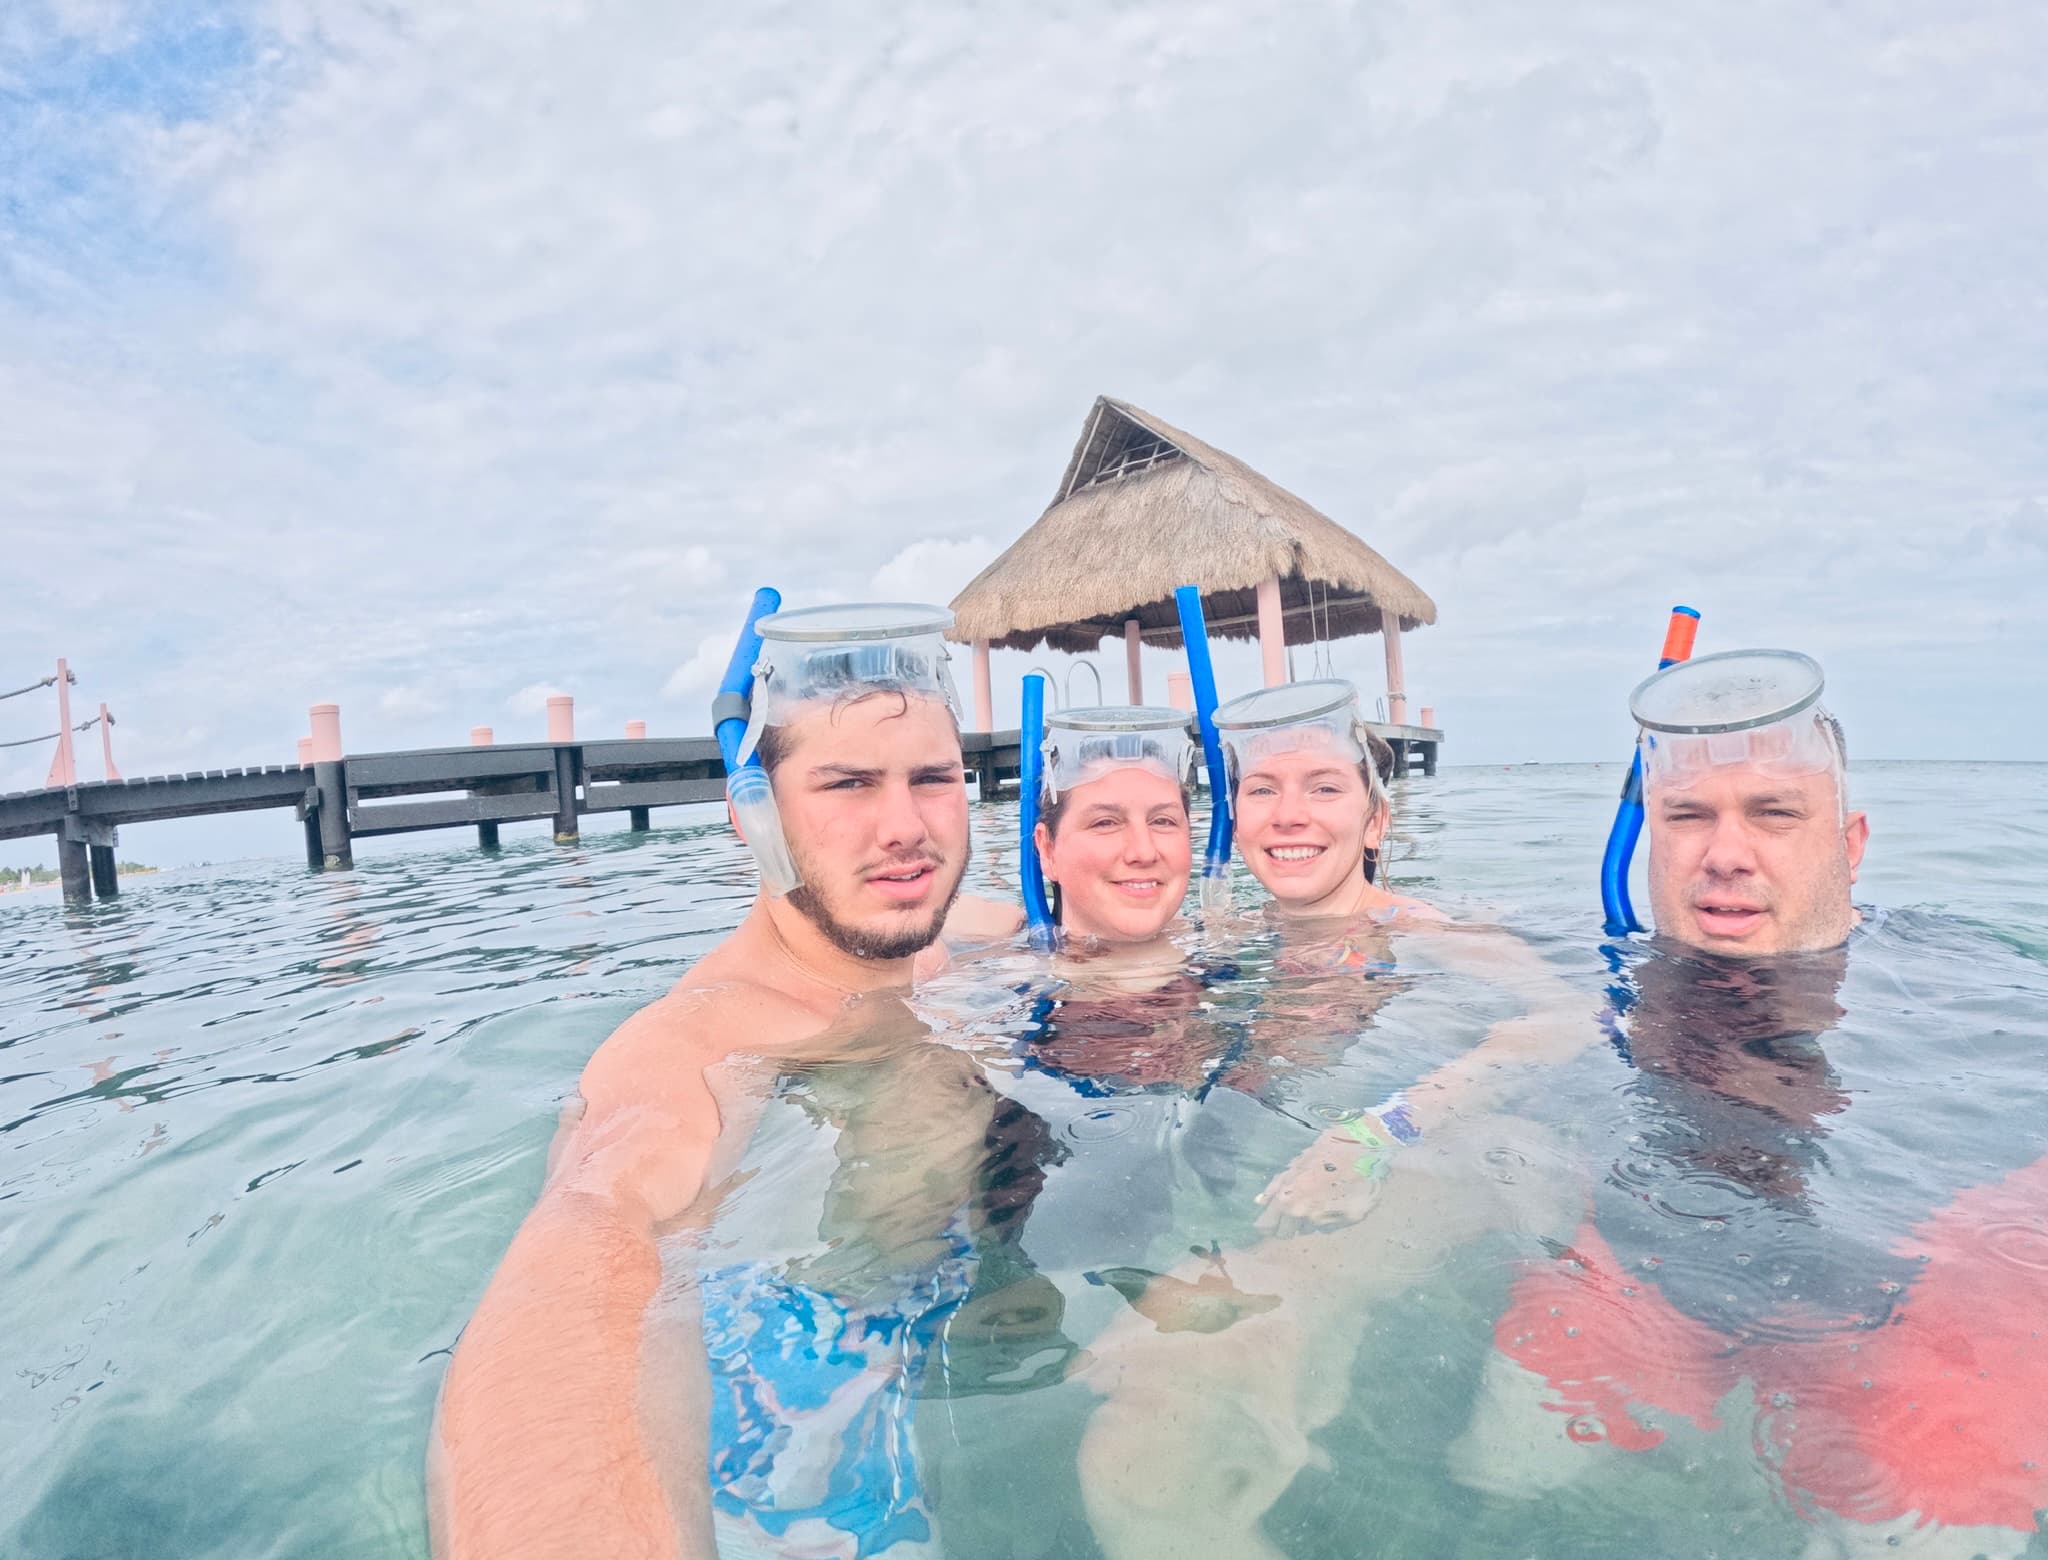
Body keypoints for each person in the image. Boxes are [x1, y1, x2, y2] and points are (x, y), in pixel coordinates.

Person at [430, 602, 1023, 1560]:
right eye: (847, 784)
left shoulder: (950, 944)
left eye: (933, 779)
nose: (904, 826)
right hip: (785, 1466)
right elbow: (598, 1227)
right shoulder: (699, 1040)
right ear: (756, 814)